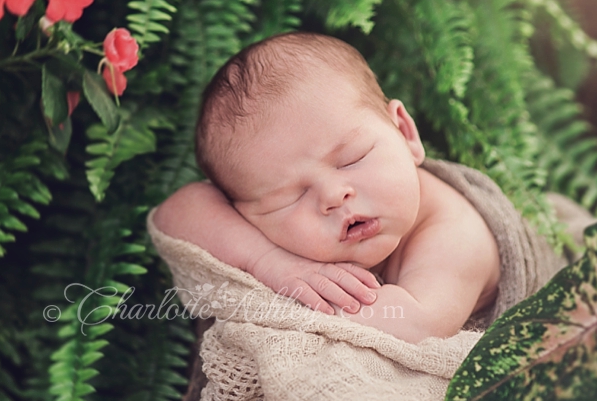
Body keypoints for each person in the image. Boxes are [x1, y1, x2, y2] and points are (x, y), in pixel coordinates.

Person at [153, 32, 500, 343]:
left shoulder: (456, 236)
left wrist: (289, 300)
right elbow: (176, 212)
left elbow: (416, 324)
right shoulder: (277, 234)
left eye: (351, 159)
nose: (333, 196)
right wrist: (268, 262)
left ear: (405, 134)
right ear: (242, 212)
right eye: (289, 197)